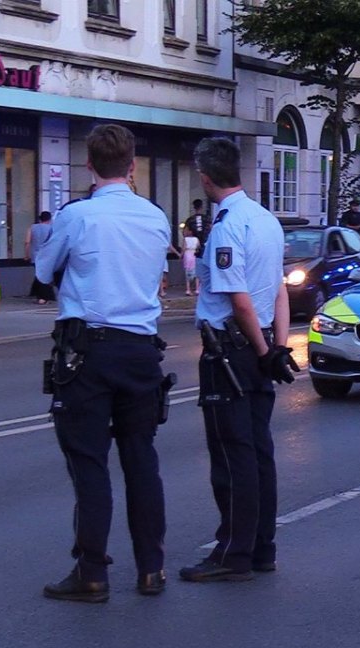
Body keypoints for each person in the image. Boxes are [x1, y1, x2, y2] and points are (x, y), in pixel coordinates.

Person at [35, 123, 172, 602]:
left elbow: (43, 271)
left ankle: (92, 573)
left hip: (88, 352)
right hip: (140, 350)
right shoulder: (155, 217)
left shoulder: (78, 216)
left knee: (89, 463)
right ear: (132, 165)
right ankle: (151, 569)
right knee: (142, 460)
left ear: (89, 166)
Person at [180, 137, 298, 583]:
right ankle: (261, 547)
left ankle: (233, 553)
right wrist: (276, 347)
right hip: (259, 345)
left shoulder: (228, 226)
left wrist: (266, 350)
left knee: (233, 458)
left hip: (229, 350)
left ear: (205, 177)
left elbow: (240, 299)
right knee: (259, 451)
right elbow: (280, 289)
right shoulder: (266, 219)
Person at [26, 211, 55, 305]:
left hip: (35, 255)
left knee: (39, 275)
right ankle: (43, 297)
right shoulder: (52, 229)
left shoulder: (32, 227)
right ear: (49, 219)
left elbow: (27, 242)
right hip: (47, 256)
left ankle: (40, 295)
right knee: (44, 276)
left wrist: (27, 254)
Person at [182, 225, 200, 296]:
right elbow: (198, 247)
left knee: (187, 271)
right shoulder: (197, 239)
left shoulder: (185, 239)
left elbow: (183, 248)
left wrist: (180, 255)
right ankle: (197, 289)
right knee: (196, 272)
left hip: (187, 254)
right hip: (194, 254)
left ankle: (188, 289)